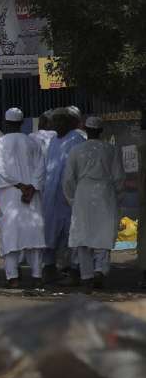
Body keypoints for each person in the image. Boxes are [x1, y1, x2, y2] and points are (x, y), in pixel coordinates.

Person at [63, 116, 124, 289]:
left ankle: (86, 275)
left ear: (86, 129)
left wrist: (72, 200)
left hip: (82, 193)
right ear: (101, 131)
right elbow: (119, 177)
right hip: (105, 193)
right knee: (102, 234)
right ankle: (100, 270)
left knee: (83, 235)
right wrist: (117, 198)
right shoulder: (110, 150)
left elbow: (68, 179)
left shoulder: (76, 150)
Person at [0, 108, 47, 289]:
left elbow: (0, 170)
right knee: (34, 236)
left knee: (11, 236)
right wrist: (31, 187)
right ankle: (37, 275)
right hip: (32, 195)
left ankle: (13, 277)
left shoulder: (0, 143)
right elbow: (41, 167)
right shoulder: (32, 143)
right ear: (21, 123)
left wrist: (20, 186)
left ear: (6, 123)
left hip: (10, 195)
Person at [43, 107, 86, 282]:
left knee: (71, 233)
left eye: (62, 121)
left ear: (70, 123)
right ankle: (49, 267)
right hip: (51, 194)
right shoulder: (53, 140)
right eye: (56, 120)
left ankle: (74, 270)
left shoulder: (76, 139)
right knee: (50, 231)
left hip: (69, 195)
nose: (57, 124)